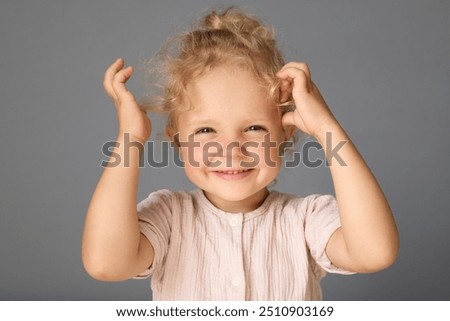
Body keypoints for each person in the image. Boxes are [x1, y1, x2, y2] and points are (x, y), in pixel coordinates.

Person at [82, 6, 399, 300]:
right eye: (206, 130)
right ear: (177, 140)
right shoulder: (168, 217)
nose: (231, 149)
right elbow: (106, 263)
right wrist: (130, 138)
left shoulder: (306, 220)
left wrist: (326, 129)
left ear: (284, 133)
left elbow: (374, 252)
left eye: (254, 128)